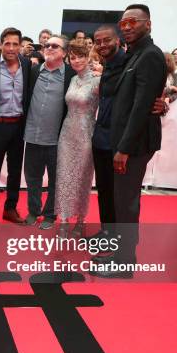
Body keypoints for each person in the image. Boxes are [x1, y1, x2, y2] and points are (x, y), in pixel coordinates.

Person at [93, 4, 166, 279]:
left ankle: (124, 263)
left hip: (132, 145)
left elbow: (141, 106)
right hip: (122, 141)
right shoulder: (136, 54)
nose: (127, 27)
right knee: (121, 201)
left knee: (126, 202)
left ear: (148, 24)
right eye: (123, 23)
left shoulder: (150, 56)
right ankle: (120, 253)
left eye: (133, 22)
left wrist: (123, 148)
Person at [22, 35, 76, 229]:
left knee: (55, 180)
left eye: (55, 46)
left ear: (64, 52)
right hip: (32, 136)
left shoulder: (72, 75)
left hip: (58, 140)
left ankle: (50, 215)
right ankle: (33, 211)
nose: (49, 48)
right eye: (47, 45)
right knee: (32, 178)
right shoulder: (33, 71)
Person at [0, 27, 30, 230]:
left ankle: (10, 208)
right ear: (1, 44)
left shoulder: (28, 66)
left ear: (20, 46)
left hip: (19, 126)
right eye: (7, 43)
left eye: (15, 44)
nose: (11, 48)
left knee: (14, 171)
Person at [55, 40, 100, 237]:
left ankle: (80, 221)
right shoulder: (73, 80)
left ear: (88, 57)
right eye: (72, 57)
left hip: (86, 136)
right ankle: (63, 220)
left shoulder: (98, 81)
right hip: (66, 135)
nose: (76, 60)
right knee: (64, 177)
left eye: (80, 56)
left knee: (82, 179)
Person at [90, 25, 126, 241]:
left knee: (118, 195)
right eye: (98, 41)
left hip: (119, 142)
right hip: (101, 139)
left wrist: (161, 103)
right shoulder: (107, 66)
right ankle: (106, 232)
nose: (102, 44)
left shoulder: (129, 64)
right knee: (104, 190)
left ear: (118, 41)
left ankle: (120, 239)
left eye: (107, 40)